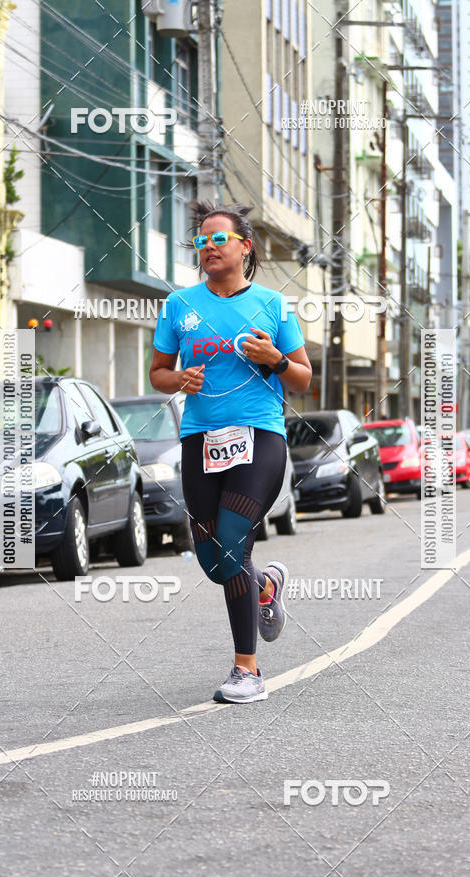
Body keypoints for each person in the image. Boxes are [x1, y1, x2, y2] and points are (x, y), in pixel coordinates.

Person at [149, 201, 312, 703]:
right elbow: (157, 374)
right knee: (213, 561)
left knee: (231, 542)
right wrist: (180, 379)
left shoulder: (273, 304)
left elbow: (303, 380)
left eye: (219, 239)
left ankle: (247, 671)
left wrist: (275, 359)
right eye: (201, 241)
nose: (208, 248)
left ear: (245, 246)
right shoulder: (178, 305)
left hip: (259, 436)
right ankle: (266, 586)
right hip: (200, 439)